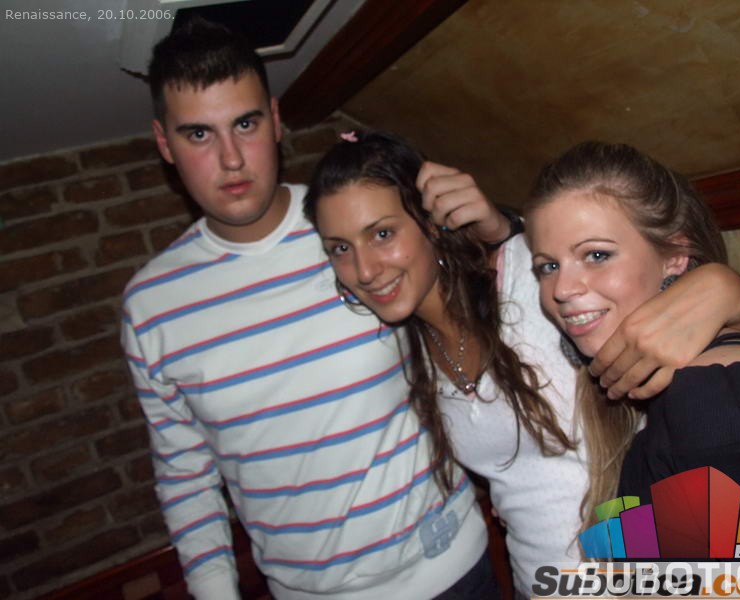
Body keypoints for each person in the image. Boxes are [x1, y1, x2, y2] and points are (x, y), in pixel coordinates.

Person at [122, 18, 519, 600]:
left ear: (275, 120)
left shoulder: (354, 224)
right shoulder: (151, 308)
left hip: (454, 567)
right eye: (199, 134)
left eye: (246, 124)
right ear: (165, 144)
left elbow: (489, 293)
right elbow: (185, 474)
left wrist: (502, 227)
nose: (231, 159)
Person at [303, 130, 740, 595]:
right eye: (340, 248)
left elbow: (730, 341)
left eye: (382, 233)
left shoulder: (528, 279)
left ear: (432, 221)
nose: (365, 269)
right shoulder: (405, 350)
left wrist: (731, 290)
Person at [527, 140, 740, 559]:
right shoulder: (656, 387)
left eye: (596, 255)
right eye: (548, 266)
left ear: (675, 256)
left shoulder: (715, 402)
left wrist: (738, 293)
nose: (562, 289)